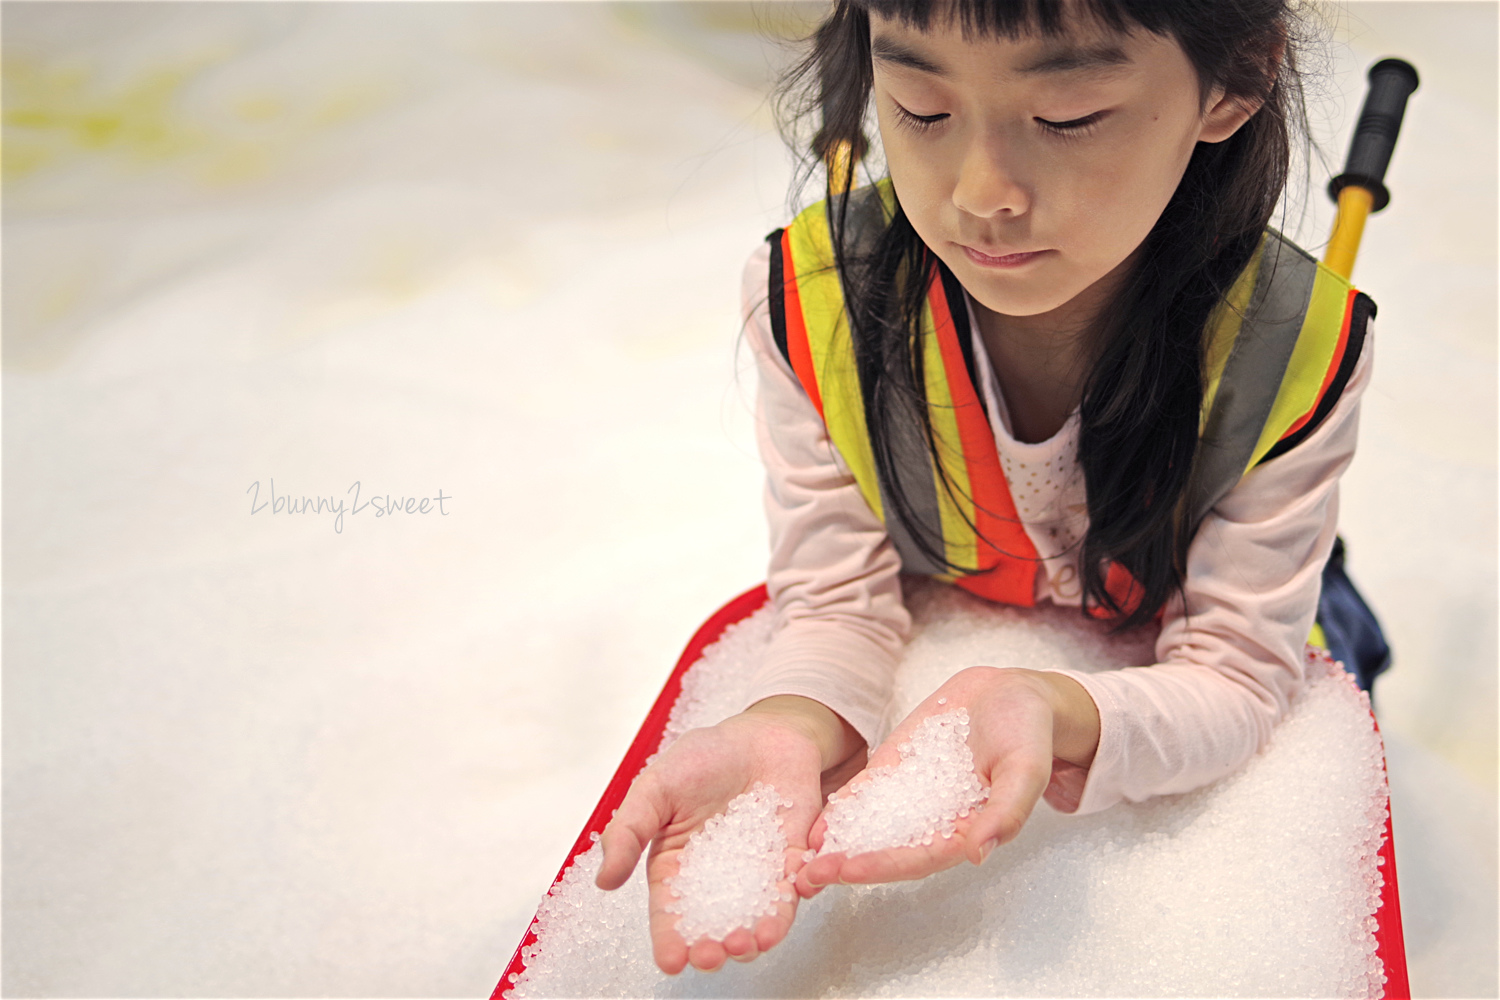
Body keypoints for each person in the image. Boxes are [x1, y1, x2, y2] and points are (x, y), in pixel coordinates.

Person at [595, 0, 1376, 976]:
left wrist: (1070, 715)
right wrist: (791, 722)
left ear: (1235, 81)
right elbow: (837, 597)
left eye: (1067, 117)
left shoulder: (1292, 353)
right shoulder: (814, 305)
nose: (982, 194)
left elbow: (1236, 670)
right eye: (921, 107)